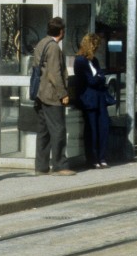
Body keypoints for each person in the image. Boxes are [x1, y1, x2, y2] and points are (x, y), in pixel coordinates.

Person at [34, 17, 75, 175]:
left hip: (41, 94)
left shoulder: (41, 43)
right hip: (52, 95)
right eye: (63, 30)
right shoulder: (54, 48)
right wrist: (63, 93)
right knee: (58, 130)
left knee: (43, 132)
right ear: (61, 31)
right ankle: (60, 165)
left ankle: (41, 166)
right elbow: (55, 74)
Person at [73, 33, 112, 169]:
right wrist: (99, 77)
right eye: (95, 46)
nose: (97, 49)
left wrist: (98, 78)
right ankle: (92, 158)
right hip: (89, 99)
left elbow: (99, 77)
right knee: (92, 130)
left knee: (103, 128)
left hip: (99, 98)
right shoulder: (80, 61)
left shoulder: (94, 61)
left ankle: (102, 157)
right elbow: (91, 80)